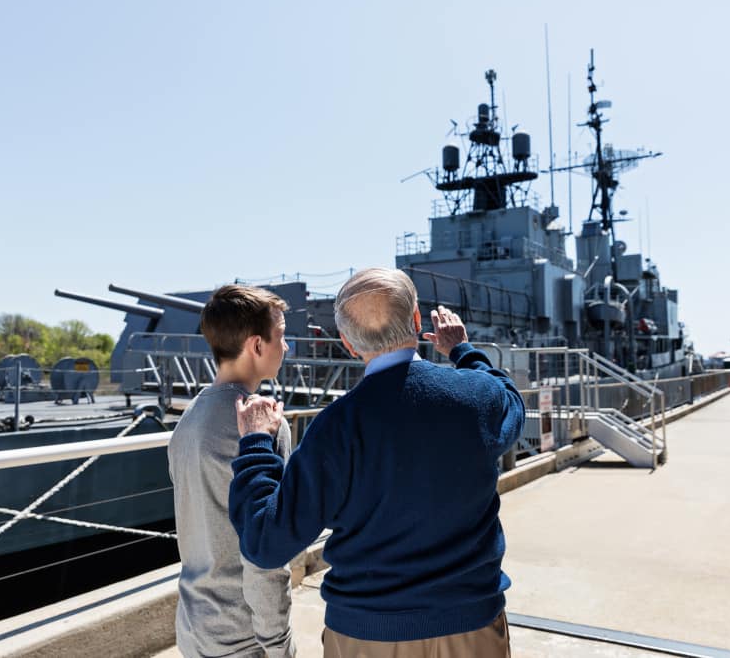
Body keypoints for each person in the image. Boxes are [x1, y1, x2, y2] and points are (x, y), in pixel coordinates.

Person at [230, 267, 525, 657]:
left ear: (349, 344)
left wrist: (254, 444)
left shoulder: (335, 428)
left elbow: (266, 542)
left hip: (367, 635)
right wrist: (462, 350)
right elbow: (510, 400)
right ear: (417, 321)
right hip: (472, 627)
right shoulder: (476, 397)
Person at [167, 284, 296, 658]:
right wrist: (279, 644)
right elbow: (265, 551)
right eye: (282, 336)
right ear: (257, 346)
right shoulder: (265, 425)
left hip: (195, 628)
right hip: (246, 638)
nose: (285, 347)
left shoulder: (188, 419)